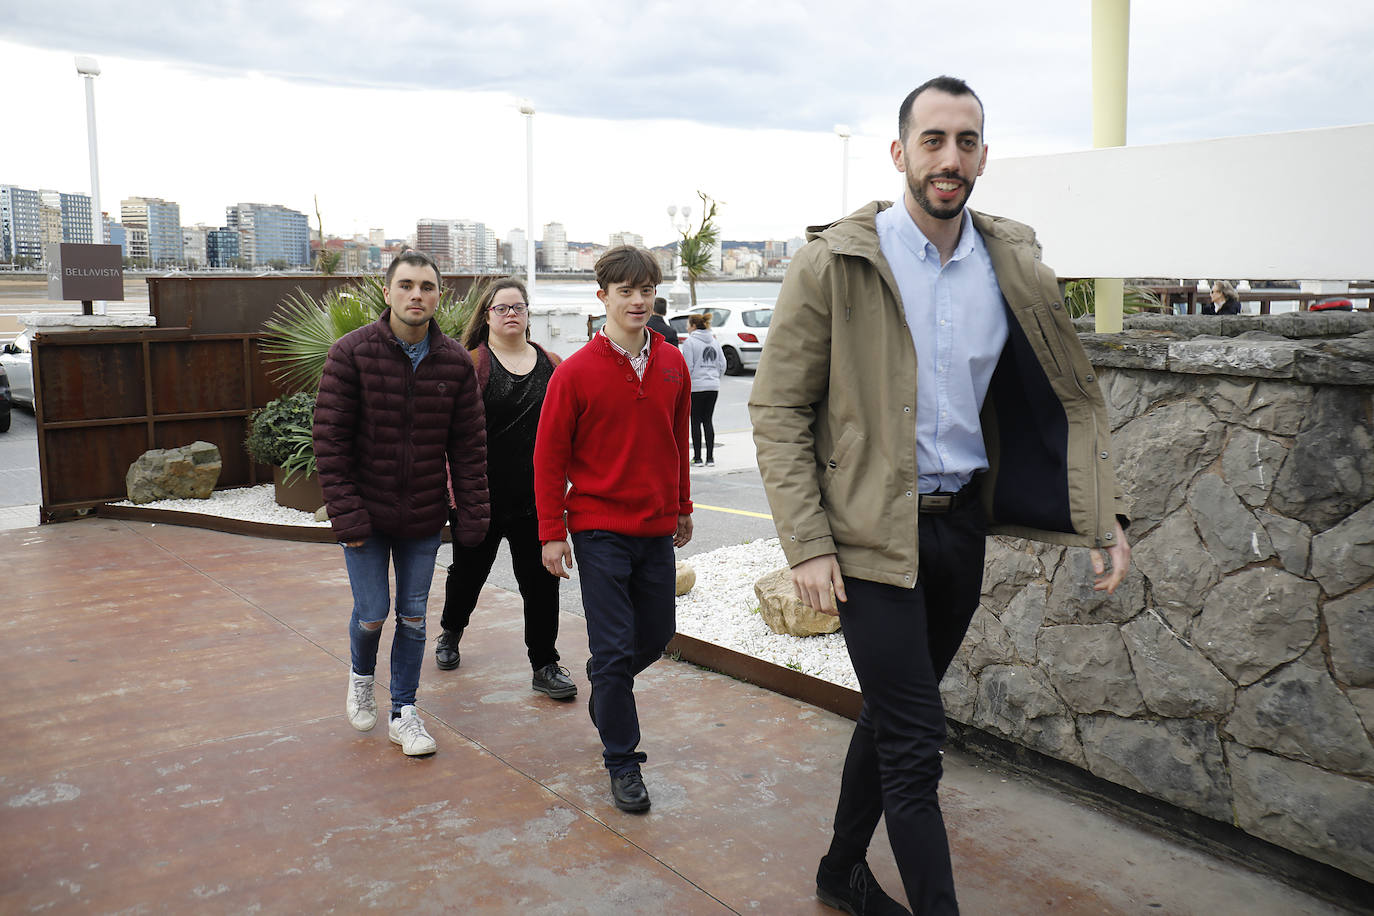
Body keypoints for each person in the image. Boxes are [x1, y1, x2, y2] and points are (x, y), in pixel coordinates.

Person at [750, 76, 1132, 915]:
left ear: (984, 156)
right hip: (865, 539)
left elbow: (1059, 397)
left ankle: (837, 872)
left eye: (965, 142)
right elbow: (777, 408)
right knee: (918, 743)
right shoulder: (837, 264)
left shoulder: (1012, 267)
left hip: (958, 531)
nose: (948, 158)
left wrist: (1100, 510)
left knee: (891, 719)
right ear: (900, 153)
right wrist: (807, 545)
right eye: (932, 140)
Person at [534, 245, 693, 813]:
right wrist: (552, 532)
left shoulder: (674, 362)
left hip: (655, 528)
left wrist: (683, 506)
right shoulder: (574, 373)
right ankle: (622, 761)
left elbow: (677, 440)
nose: (638, 300)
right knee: (615, 643)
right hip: (598, 529)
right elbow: (549, 458)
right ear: (602, 297)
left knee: (656, 635)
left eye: (646, 289)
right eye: (625, 291)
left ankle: (606, 679)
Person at [314, 249, 490, 757]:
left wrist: (472, 517)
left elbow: (469, 448)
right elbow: (330, 439)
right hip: (364, 513)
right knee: (372, 614)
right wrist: (347, 514)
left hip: (422, 516)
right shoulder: (351, 353)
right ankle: (362, 676)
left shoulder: (454, 362)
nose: (417, 295)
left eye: (427, 287)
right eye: (407, 285)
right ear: (387, 292)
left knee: (413, 618)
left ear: (439, 296)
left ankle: (404, 711)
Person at [433, 278, 577, 700]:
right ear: (488, 315)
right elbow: (448, 434)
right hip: (480, 498)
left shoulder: (552, 365)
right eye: (502, 308)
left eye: (519, 307)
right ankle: (450, 632)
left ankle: (545, 664)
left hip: (536, 500)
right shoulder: (471, 364)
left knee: (540, 582)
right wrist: (452, 492)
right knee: (468, 575)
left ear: (529, 314)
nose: (511, 313)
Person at [681, 313, 722, 467]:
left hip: (696, 387)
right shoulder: (714, 341)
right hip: (713, 386)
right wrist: (715, 377)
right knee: (708, 420)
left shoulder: (689, 342)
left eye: (687, 324)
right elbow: (722, 363)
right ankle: (710, 458)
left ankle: (697, 458)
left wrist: (689, 383)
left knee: (695, 421)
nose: (686, 327)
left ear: (693, 326)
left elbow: (688, 366)